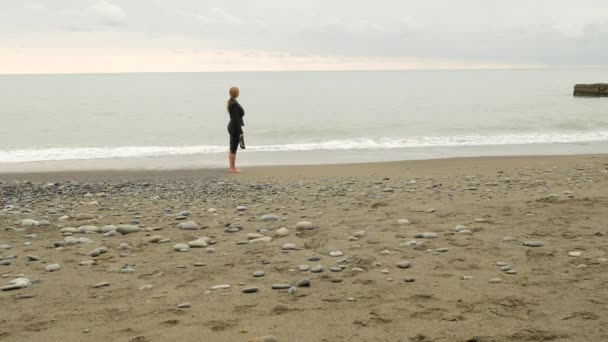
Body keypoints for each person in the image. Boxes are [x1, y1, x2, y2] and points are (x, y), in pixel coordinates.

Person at [227, 86, 245, 173]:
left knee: (232, 147)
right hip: (234, 126)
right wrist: (240, 131)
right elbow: (235, 119)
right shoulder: (234, 104)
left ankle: (232, 167)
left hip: (233, 126)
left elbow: (236, 118)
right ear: (237, 93)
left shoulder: (232, 102)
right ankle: (232, 168)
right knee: (233, 147)